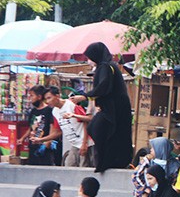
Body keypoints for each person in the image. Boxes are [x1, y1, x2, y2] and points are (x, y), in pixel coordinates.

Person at [72, 42, 134, 172]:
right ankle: (108, 161)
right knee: (107, 131)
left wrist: (85, 96)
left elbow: (104, 87)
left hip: (115, 109)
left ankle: (108, 162)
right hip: (114, 108)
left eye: (89, 57)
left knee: (99, 128)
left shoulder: (105, 67)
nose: (88, 61)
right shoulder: (107, 66)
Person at [44, 86, 94, 168]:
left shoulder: (71, 105)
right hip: (74, 144)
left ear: (57, 96)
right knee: (69, 165)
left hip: (85, 143)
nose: (47, 101)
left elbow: (85, 122)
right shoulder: (55, 111)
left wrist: (84, 143)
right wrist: (41, 139)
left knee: (84, 167)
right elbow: (57, 131)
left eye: (49, 98)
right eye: (46, 99)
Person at [17, 85, 58, 166]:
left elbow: (52, 126)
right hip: (33, 145)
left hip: (44, 146)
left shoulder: (49, 110)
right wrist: (22, 138)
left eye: (32, 96)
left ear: (39, 97)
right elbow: (30, 127)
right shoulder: (33, 111)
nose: (30, 98)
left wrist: (48, 141)